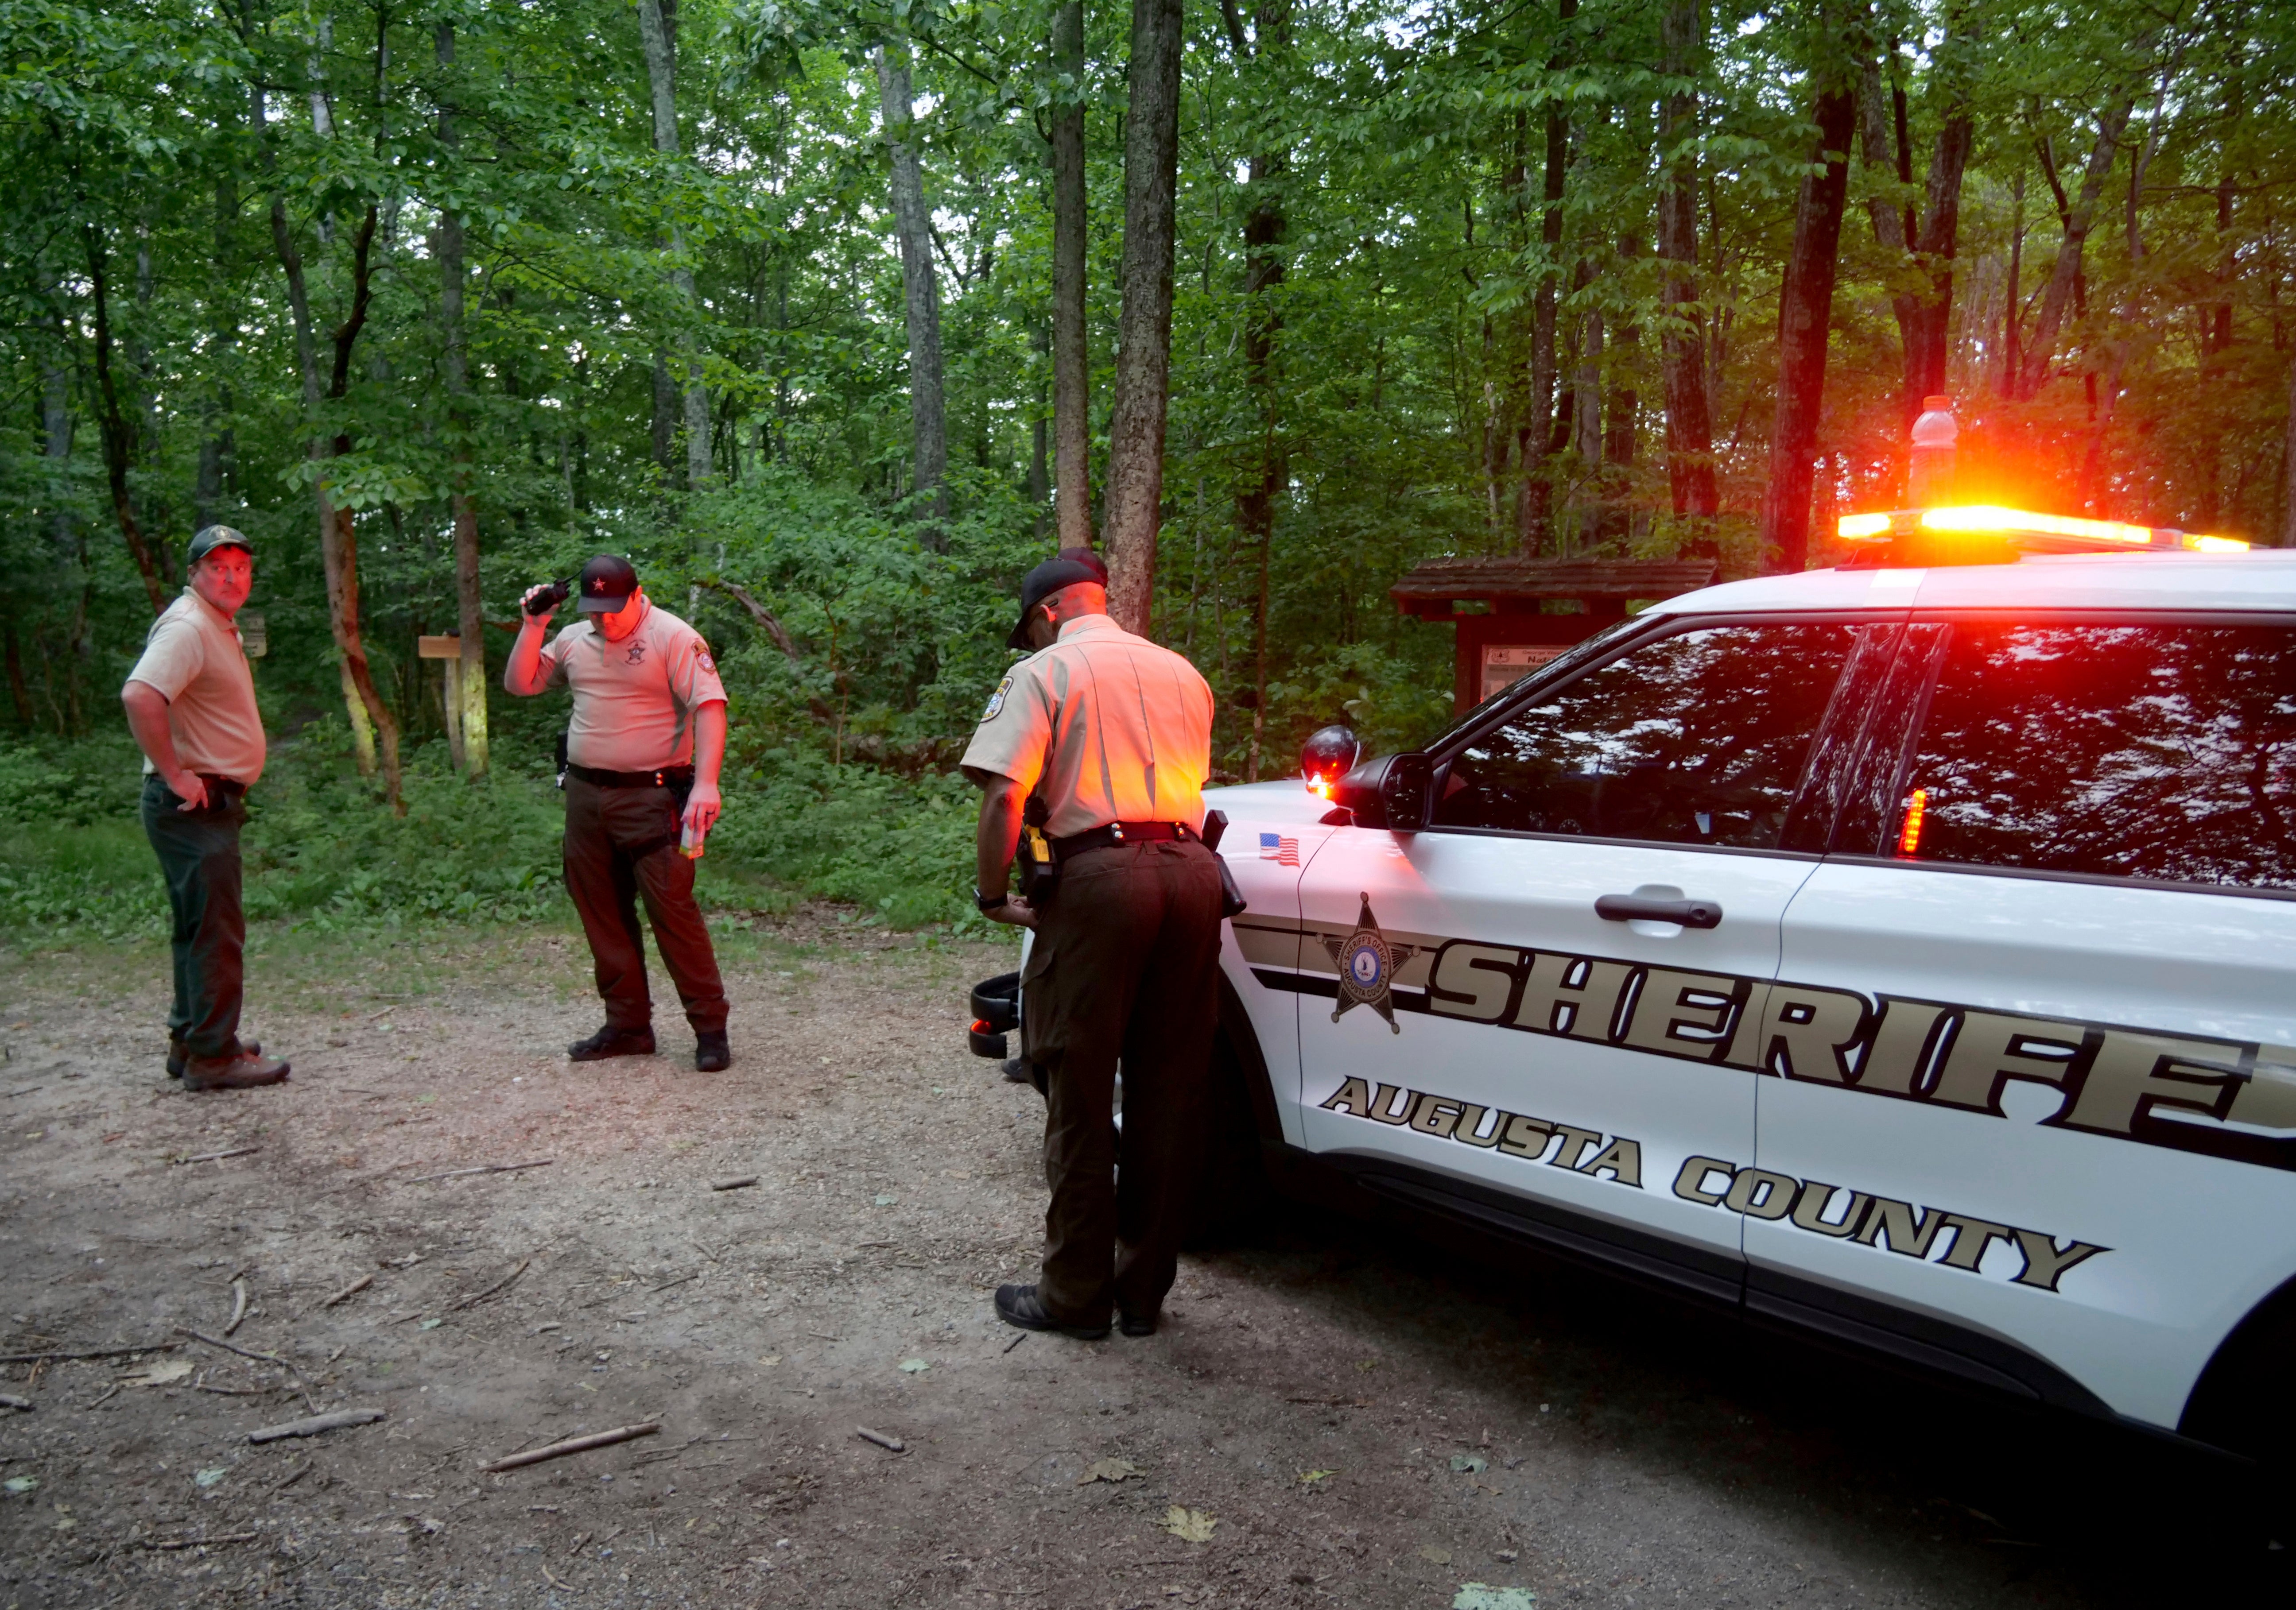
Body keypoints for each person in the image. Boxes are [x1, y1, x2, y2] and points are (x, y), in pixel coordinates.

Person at [962, 556, 1221, 1340]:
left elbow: (1006, 791)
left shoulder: (1041, 673)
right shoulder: (1183, 673)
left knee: (1075, 1081)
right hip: (1192, 875)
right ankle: (1142, 1294)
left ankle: (1074, 1296)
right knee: (1167, 1090)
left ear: (1046, 614)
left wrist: (991, 894)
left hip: (1099, 881)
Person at [504, 555, 732, 1072]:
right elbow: (522, 684)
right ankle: (628, 1026)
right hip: (586, 798)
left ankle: (710, 1029)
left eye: (613, 609)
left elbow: (710, 706)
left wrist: (707, 785)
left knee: (673, 912)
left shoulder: (673, 636)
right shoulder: (572, 640)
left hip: (653, 797)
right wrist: (534, 623)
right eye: (594, 610)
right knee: (602, 914)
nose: (604, 620)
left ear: (637, 595)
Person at [119, 525, 290, 1091]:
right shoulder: (190, 626)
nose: (231, 577)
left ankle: (192, 1037)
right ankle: (213, 1057)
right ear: (193, 573)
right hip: (194, 805)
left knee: (197, 927)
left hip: (203, 804)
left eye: (240, 567)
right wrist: (175, 773)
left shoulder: (217, 625)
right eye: (218, 567)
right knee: (216, 930)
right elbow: (141, 695)